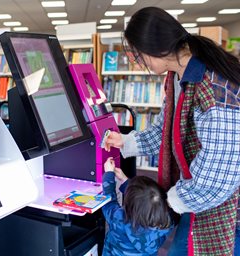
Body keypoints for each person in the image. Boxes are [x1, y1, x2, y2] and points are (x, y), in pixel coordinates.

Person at [104, 6, 240, 256]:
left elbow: (216, 179)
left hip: (223, 208)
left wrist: (161, 205)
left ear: (152, 49)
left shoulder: (212, 90)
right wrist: (124, 142)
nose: (137, 62)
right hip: (194, 196)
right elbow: (166, 132)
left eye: (137, 55)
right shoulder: (179, 76)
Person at [102, 157, 174, 256]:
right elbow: (141, 201)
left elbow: (108, 203)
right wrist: (125, 180)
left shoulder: (119, 218)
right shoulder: (166, 221)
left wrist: (108, 174)